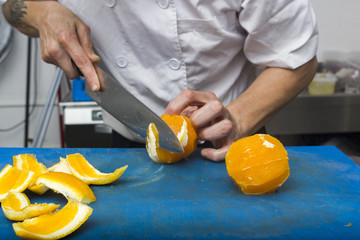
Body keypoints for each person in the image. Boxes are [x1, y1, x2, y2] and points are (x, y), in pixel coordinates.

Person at [2, 0, 318, 161]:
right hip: (127, 142)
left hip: (229, 140)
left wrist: (238, 117)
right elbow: (12, 7)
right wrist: (42, 12)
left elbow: (295, 60)